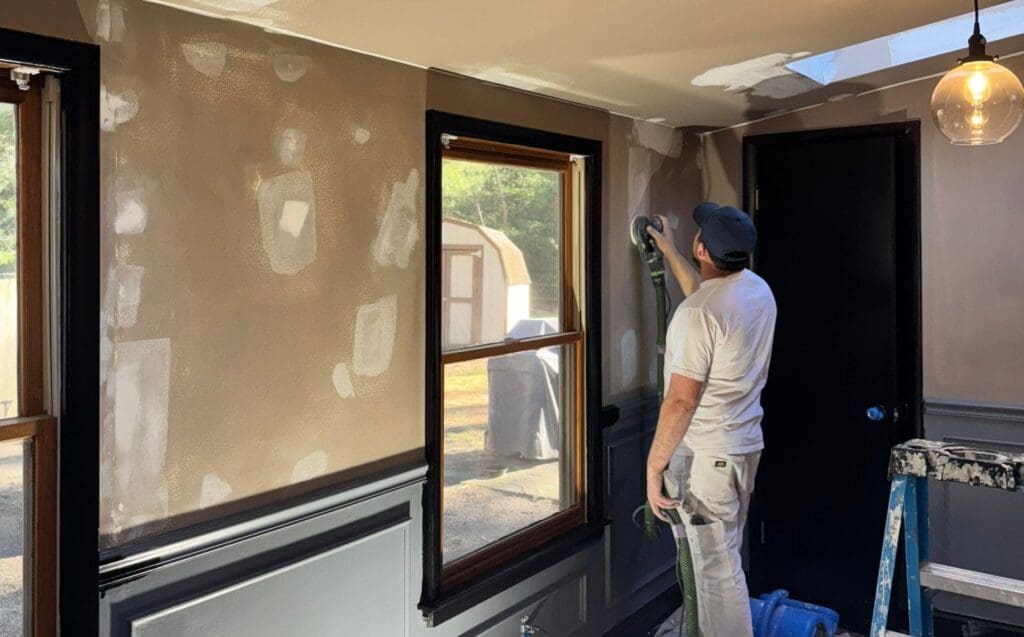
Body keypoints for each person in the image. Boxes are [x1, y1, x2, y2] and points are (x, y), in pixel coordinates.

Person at [644, 202, 777, 636]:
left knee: (718, 577)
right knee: (722, 562)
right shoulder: (756, 290)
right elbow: (702, 295)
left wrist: (653, 466)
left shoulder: (699, 316)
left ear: (702, 248)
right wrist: (667, 249)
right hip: (741, 450)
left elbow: (681, 401)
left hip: (711, 465)